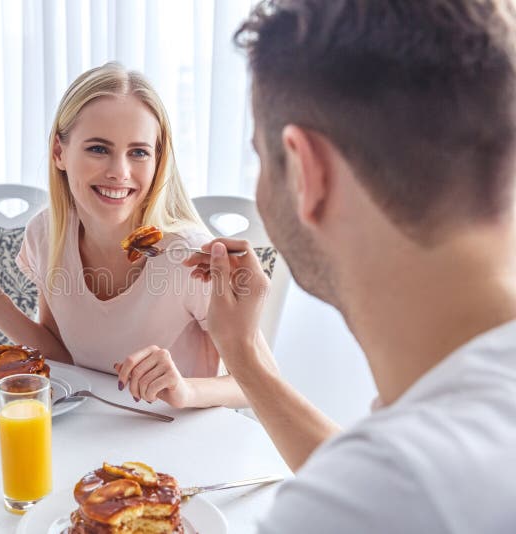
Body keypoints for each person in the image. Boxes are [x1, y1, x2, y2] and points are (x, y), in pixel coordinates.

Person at [185, 0, 516, 531]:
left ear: (305, 171)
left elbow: (381, 493)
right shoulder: (408, 477)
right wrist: (242, 356)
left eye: (262, 160)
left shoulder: (385, 493)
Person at [0, 62, 249, 408]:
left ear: (158, 160)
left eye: (138, 152)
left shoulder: (189, 256)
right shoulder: (47, 233)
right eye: (98, 149)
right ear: (59, 153)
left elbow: (255, 383)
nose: (118, 172)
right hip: (87, 432)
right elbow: (60, 355)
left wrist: (186, 390)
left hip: (177, 440)